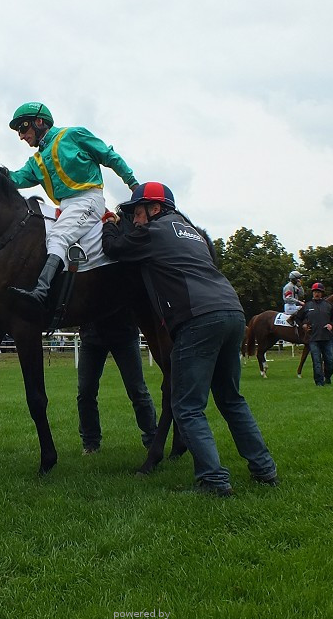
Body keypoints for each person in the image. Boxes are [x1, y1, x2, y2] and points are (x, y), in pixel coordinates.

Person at [100, 181, 277, 497]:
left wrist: (110, 225)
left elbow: (115, 249)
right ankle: (264, 470)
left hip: (198, 320)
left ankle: (213, 481)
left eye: (137, 213)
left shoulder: (152, 232)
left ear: (155, 209)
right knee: (231, 400)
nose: (135, 220)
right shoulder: (192, 232)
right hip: (233, 314)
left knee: (187, 406)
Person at [5, 101, 139, 306]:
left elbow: (109, 155)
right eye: (18, 132)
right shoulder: (36, 161)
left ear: (40, 121)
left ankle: (41, 292)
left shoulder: (73, 135)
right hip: (65, 207)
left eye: (23, 127)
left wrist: (133, 183)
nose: (21, 136)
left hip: (89, 199)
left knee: (58, 237)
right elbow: (14, 179)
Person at [76, 311, 158, 455]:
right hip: (92, 338)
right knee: (85, 391)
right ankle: (90, 443)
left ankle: (152, 440)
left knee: (137, 389)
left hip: (124, 335)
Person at [291, 282, 333, 387]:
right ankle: (319, 382)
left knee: (330, 361)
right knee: (316, 361)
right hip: (313, 338)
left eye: (318, 292)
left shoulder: (328, 305)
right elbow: (298, 318)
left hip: (327, 338)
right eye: (315, 292)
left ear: (322, 293)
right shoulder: (307, 306)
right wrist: (303, 325)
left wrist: (331, 325)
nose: (316, 294)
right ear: (312, 293)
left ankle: (327, 377)